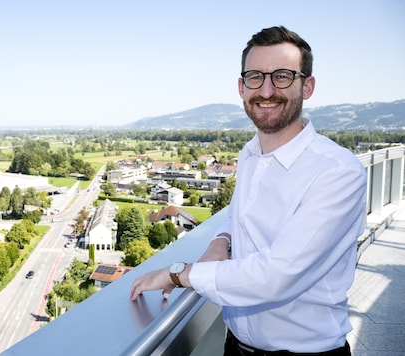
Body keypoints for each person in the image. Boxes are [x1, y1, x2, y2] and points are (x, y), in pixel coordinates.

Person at [130, 26, 366, 356]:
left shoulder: (337, 172)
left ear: (307, 86)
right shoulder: (250, 154)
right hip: (235, 346)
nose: (266, 90)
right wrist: (221, 241)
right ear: (241, 87)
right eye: (255, 77)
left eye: (282, 76)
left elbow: (275, 276)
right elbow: (240, 216)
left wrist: (179, 274)